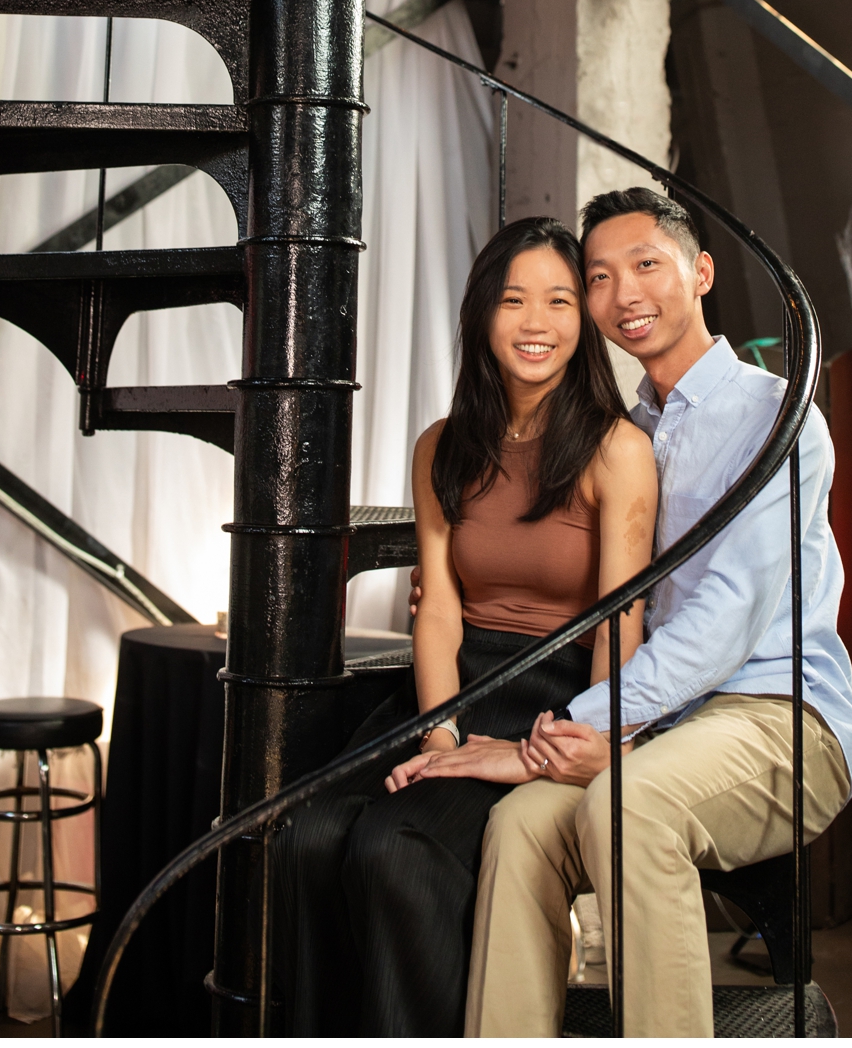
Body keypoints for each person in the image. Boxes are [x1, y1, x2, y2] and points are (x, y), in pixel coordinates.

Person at [467, 187, 852, 1037]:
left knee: (631, 803)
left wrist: (581, 724)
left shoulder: (777, 414)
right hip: (662, 732)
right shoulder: (627, 432)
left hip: (781, 723)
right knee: (519, 827)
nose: (624, 295)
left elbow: (731, 610)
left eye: (647, 264)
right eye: (600, 278)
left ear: (702, 272)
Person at [280, 216, 657, 1036]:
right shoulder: (441, 446)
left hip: (554, 690)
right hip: (455, 687)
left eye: (561, 301)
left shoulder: (615, 449)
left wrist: (571, 747)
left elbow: (617, 618)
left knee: (394, 849)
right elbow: (441, 606)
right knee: (305, 836)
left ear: (582, 324)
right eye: (515, 299)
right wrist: (441, 736)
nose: (538, 323)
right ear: (483, 313)